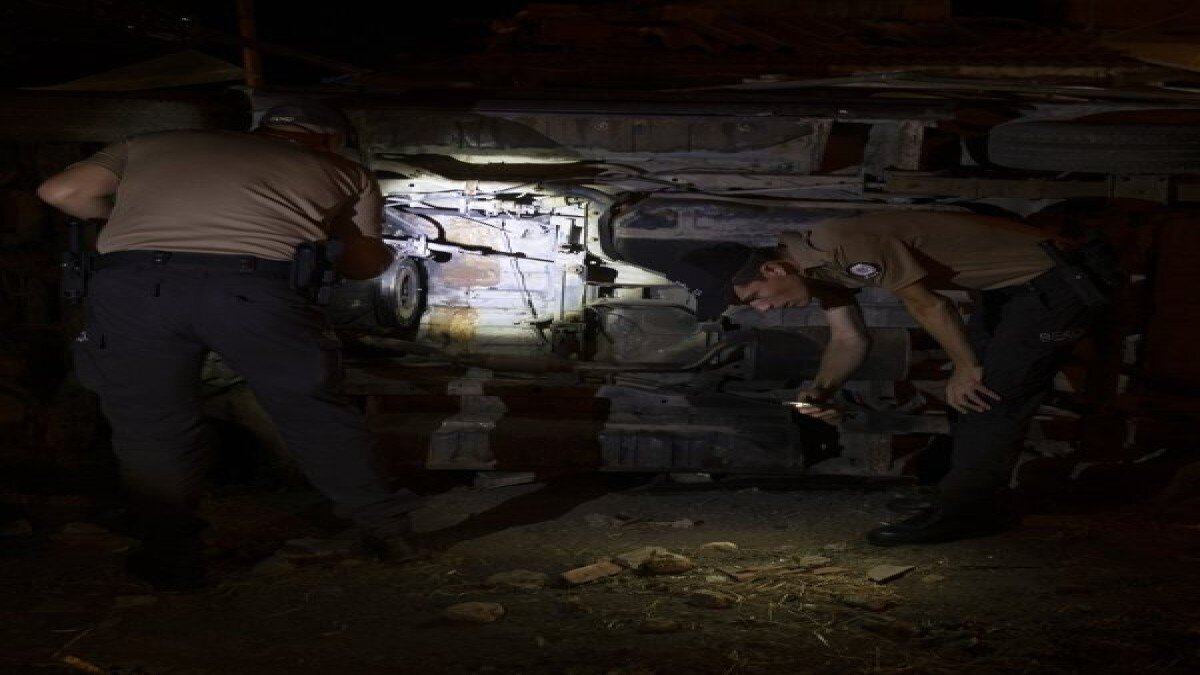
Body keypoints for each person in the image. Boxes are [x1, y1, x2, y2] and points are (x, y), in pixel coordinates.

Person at [37, 97, 420, 589]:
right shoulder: (344, 171)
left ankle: (172, 559)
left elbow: (60, 191)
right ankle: (388, 534)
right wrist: (371, 248)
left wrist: (125, 219)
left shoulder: (149, 143)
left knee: (152, 426)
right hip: (255, 291)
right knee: (314, 413)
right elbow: (362, 265)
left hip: (135, 289)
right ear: (331, 139)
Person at [672, 210, 1113, 546]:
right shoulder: (816, 267)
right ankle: (954, 497)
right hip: (1013, 291)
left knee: (988, 394)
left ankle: (968, 512)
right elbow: (849, 338)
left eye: (756, 298)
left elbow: (929, 305)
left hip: (1060, 278)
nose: (764, 310)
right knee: (968, 395)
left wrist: (966, 366)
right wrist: (822, 389)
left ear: (773, 270)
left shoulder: (840, 247)